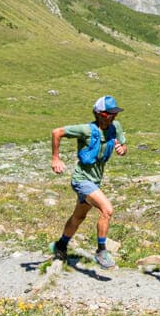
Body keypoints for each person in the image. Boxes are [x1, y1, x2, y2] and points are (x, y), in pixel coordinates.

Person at [49, 95, 127, 268]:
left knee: (79, 216)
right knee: (107, 210)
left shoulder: (116, 127)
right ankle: (101, 251)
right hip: (81, 180)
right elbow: (57, 132)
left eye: (115, 114)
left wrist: (122, 149)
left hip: (95, 181)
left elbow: (123, 144)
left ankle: (60, 245)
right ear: (99, 113)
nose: (113, 117)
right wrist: (55, 158)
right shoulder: (85, 129)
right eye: (109, 114)